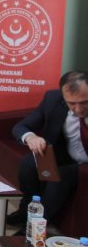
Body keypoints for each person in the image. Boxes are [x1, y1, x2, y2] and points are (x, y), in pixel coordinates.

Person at [6, 71, 88, 231]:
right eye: (72, 103)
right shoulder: (53, 99)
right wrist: (31, 137)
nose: (78, 109)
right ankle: (25, 211)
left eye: (84, 103)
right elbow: (21, 127)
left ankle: (35, 226)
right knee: (29, 163)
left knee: (62, 176)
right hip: (65, 155)